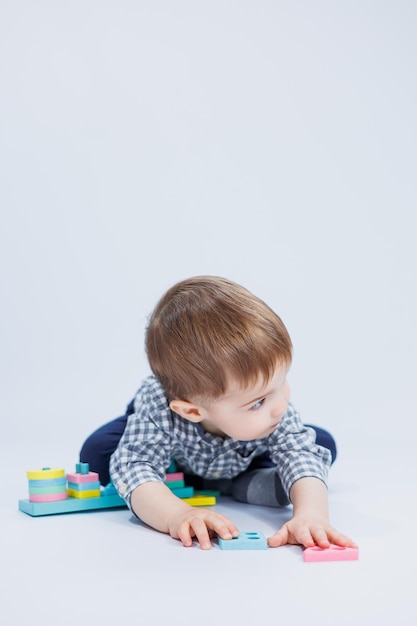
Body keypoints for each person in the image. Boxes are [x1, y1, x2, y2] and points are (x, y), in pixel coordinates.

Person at [80, 275, 357, 551]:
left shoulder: (272, 406)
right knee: (100, 453)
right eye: (258, 402)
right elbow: (133, 465)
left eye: (281, 383)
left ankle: (234, 483)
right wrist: (176, 514)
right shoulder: (159, 407)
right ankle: (169, 481)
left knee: (320, 443)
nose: (280, 405)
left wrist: (311, 514)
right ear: (190, 410)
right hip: (175, 453)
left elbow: (300, 453)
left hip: (241, 456)